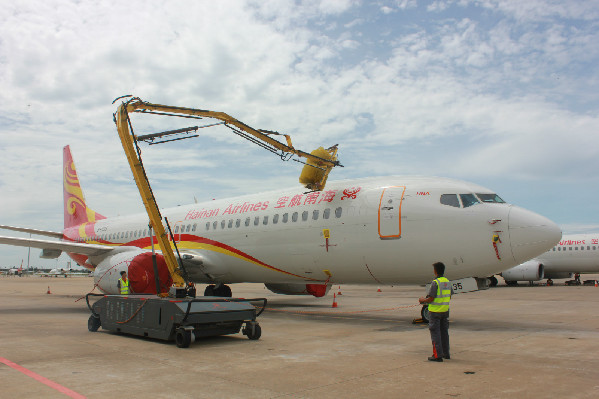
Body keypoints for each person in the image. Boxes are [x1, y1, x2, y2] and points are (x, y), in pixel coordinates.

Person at [419, 262, 453, 362]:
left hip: (435, 312)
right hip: (445, 311)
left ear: (435, 271)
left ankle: (437, 355)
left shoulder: (435, 282)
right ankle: (446, 353)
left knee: (435, 333)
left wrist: (422, 301)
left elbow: (431, 298)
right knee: (444, 332)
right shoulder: (447, 281)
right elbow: (449, 295)